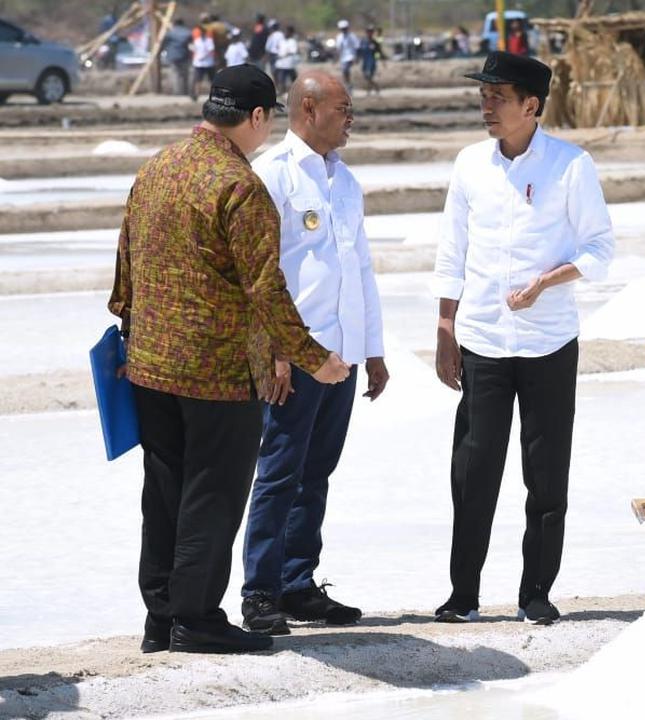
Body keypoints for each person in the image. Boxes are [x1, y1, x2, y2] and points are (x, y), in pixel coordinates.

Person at [108, 65, 350, 655]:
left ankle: (161, 616)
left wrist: (129, 332)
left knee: (164, 491)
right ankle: (196, 618)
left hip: (149, 367)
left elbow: (125, 269)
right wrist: (313, 359)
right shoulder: (240, 186)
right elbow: (266, 291)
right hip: (215, 375)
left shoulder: (156, 167)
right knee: (212, 497)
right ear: (258, 117)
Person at [432, 51, 614, 626]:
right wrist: (444, 327)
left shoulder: (571, 165)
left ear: (531, 106)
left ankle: (536, 590)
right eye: (483, 96)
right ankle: (464, 594)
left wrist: (547, 282)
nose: (486, 106)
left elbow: (599, 250)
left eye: (497, 97)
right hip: (483, 338)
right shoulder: (469, 165)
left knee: (546, 470)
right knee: (473, 469)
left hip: (549, 342)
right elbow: (450, 251)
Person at [240, 70, 388, 635]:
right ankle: (260, 591)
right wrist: (276, 351)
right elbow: (261, 275)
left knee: (316, 473)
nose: (351, 118)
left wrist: (372, 351)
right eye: (343, 108)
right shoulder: (273, 176)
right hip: (296, 357)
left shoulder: (345, 181)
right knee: (279, 471)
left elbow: (361, 270)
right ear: (308, 107)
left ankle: (298, 582)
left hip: (342, 356)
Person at [163, 17, 192, 97]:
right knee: (185, 74)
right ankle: (185, 91)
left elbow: (164, 43)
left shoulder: (170, 33)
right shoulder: (188, 32)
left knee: (175, 74)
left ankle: (177, 92)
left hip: (173, 56)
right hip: (185, 55)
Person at [191, 26, 217, 101]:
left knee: (212, 80)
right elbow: (193, 49)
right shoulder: (197, 41)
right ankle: (196, 95)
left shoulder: (209, 40)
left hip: (208, 63)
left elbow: (210, 50)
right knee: (198, 80)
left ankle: (214, 95)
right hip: (199, 64)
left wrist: (203, 56)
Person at [274, 26, 301, 95]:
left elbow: (293, 51)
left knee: (293, 79)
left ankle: (296, 91)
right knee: (280, 78)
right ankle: (281, 91)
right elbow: (279, 50)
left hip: (289, 64)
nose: (285, 33)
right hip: (281, 64)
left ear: (291, 33)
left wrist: (285, 54)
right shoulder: (282, 41)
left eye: (287, 32)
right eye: (285, 31)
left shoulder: (292, 41)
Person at [358, 26, 384, 96]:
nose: (369, 33)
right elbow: (359, 50)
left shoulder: (375, 42)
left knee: (369, 75)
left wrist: (378, 59)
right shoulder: (363, 41)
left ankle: (368, 91)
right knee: (366, 76)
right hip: (365, 61)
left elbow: (378, 52)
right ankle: (376, 87)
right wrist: (357, 58)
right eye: (368, 31)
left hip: (372, 61)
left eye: (371, 31)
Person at [336, 20, 360, 90]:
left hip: (351, 56)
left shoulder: (352, 36)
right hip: (343, 57)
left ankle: (349, 85)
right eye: (342, 28)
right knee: (344, 71)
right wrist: (336, 57)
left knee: (345, 69)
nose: (343, 30)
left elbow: (357, 46)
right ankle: (348, 84)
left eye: (345, 28)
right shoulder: (339, 37)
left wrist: (356, 57)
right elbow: (338, 48)